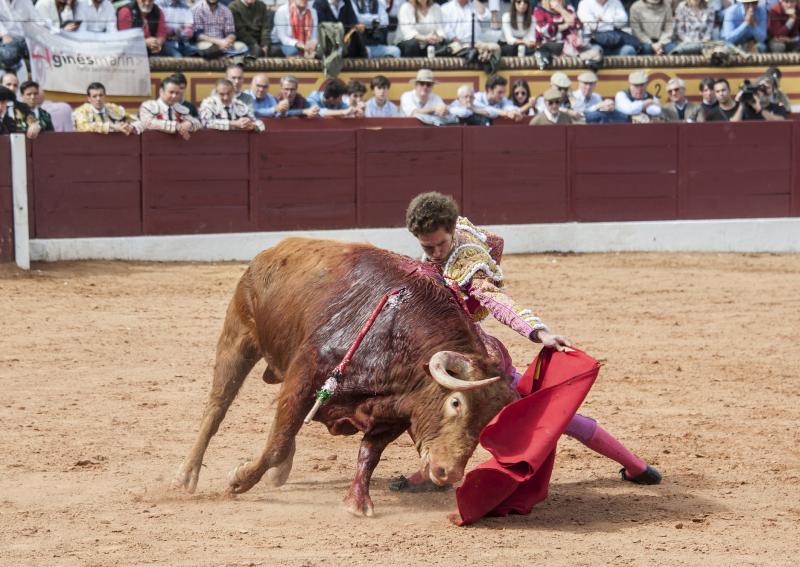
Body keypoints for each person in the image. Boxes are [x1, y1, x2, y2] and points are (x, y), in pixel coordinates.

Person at [390, 192, 662, 492]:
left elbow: (496, 301)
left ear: (452, 230)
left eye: (441, 244)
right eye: (427, 247)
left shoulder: (470, 263)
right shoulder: (453, 237)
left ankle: (636, 465)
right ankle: (431, 469)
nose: (436, 253)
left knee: (547, 415)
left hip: (478, 358)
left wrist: (539, 332)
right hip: (455, 348)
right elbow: (490, 242)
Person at [73, 81, 141, 134]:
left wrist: (130, 127)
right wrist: (112, 126)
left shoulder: (112, 108)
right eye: (94, 96)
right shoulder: (82, 110)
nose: (98, 99)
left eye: (101, 95)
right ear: (89, 98)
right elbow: (82, 126)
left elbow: (135, 120)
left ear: (105, 96)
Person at [577, 0, 643, 55]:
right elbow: (592, 26)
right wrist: (613, 23)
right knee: (595, 52)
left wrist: (601, 19)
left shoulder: (616, 2)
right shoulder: (584, 3)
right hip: (593, 42)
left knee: (629, 50)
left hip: (615, 41)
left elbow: (623, 22)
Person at [200, 78, 266, 131]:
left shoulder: (240, 105)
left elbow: (261, 125)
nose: (226, 97)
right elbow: (206, 123)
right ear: (216, 93)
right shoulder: (208, 104)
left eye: (228, 93)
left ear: (233, 92)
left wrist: (251, 125)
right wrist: (234, 124)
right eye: (222, 94)